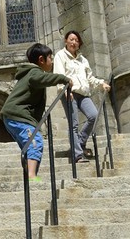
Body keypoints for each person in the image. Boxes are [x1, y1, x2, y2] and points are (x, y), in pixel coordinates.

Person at [0, 42, 70, 179]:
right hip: (19, 115)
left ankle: (29, 174)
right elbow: (43, 79)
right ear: (41, 60)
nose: (52, 61)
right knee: (35, 141)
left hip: (13, 116)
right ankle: (31, 176)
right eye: (50, 57)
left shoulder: (30, 73)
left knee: (28, 145)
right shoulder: (34, 73)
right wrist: (63, 78)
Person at [52, 30, 109, 164]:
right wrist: (64, 90)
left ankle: (81, 142)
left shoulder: (83, 60)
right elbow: (59, 75)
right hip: (69, 92)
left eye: (77, 40)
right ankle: (77, 155)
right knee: (74, 124)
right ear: (66, 41)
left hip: (83, 93)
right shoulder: (60, 56)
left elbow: (89, 78)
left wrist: (101, 84)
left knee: (93, 115)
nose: (74, 42)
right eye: (71, 39)